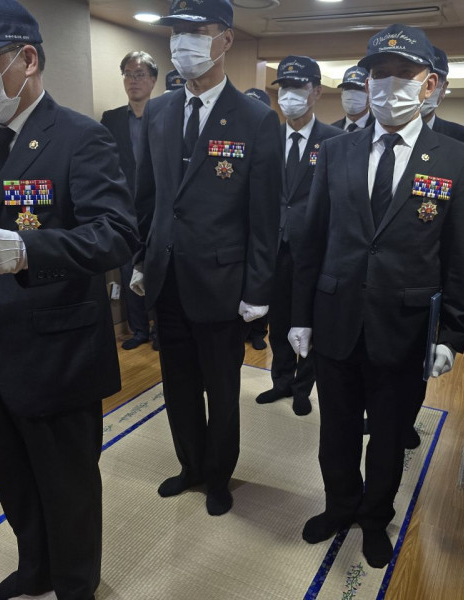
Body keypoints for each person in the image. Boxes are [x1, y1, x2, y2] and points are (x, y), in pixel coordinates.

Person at [0, 2, 138, 599]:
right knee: (12, 475)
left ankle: (75, 584)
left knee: (68, 485)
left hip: (58, 349)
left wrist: (26, 250)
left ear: (27, 59)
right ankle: (35, 565)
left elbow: (117, 233)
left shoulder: (81, 137)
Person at [290, 24, 464, 568]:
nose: (388, 84)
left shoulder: (455, 158)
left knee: (390, 436)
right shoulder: (336, 150)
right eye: (379, 74)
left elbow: (456, 255)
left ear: (429, 84)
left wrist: (452, 333)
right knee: (337, 430)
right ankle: (339, 505)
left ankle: (375, 518)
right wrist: (299, 316)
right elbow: (311, 240)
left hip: (406, 324)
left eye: (403, 74)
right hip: (336, 316)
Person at [131, 0, 281, 517]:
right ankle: (190, 465)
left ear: (226, 40)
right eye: (177, 32)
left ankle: (219, 476)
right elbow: (148, 197)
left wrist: (258, 289)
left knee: (221, 388)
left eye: (197, 31)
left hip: (222, 282)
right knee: (177, 386)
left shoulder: (257, 119)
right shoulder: (159, 110)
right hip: (167, 276)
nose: (183, 42)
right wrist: (141, 259)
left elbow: (265, 216)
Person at [255, 55, 340, 416]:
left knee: (308, 319)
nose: (288, 95)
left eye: (297, 87)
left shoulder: (334, 141)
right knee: (278, 319)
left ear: (316, 92)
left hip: (314, 249)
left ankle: (303, 387)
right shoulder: (268, 137)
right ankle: (281, 381)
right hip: (274, 245)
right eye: (283, 88)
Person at [101, 51, 159, 351]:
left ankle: (160, 328)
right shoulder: (110, 119)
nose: (133, 80)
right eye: (128, 74)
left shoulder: (165, 115)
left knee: (158, 268)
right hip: (124, 208)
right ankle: (139, 329)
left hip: (158, 208)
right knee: (128, 270)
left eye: (140, 74)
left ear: (153, 79)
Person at [243, 86, 273, 351]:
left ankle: (258, 331)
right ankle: (245, 328)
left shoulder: (268, 132)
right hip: (242, 222)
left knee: (261, 278)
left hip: (268, 218)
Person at [421, 47, 464, 148]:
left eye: (433, 81)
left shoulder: (461, 136)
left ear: (443, 88)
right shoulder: (389, 134)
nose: (426, 86)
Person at [331, 66, 374, 131]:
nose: (352, 94)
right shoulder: (331, 131)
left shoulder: (380, 129)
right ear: (342, 94)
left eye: (358, 88)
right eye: (348, 88)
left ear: (370, 93)